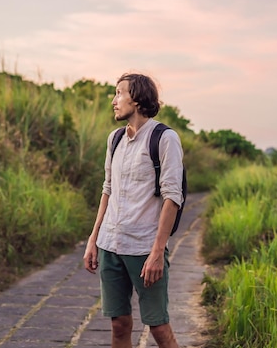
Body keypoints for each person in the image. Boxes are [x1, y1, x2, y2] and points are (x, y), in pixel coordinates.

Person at [83, 73, 184, 348]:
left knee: (159, 327)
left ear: (137, 99)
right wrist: (93, 240)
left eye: (119, 93)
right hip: (110, 245)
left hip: (143, 248)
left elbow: (172, 198)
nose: (114, 101)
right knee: (119, 325)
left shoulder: (165, 139)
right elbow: (108, 189)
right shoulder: (114, 139)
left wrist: (156, 253)